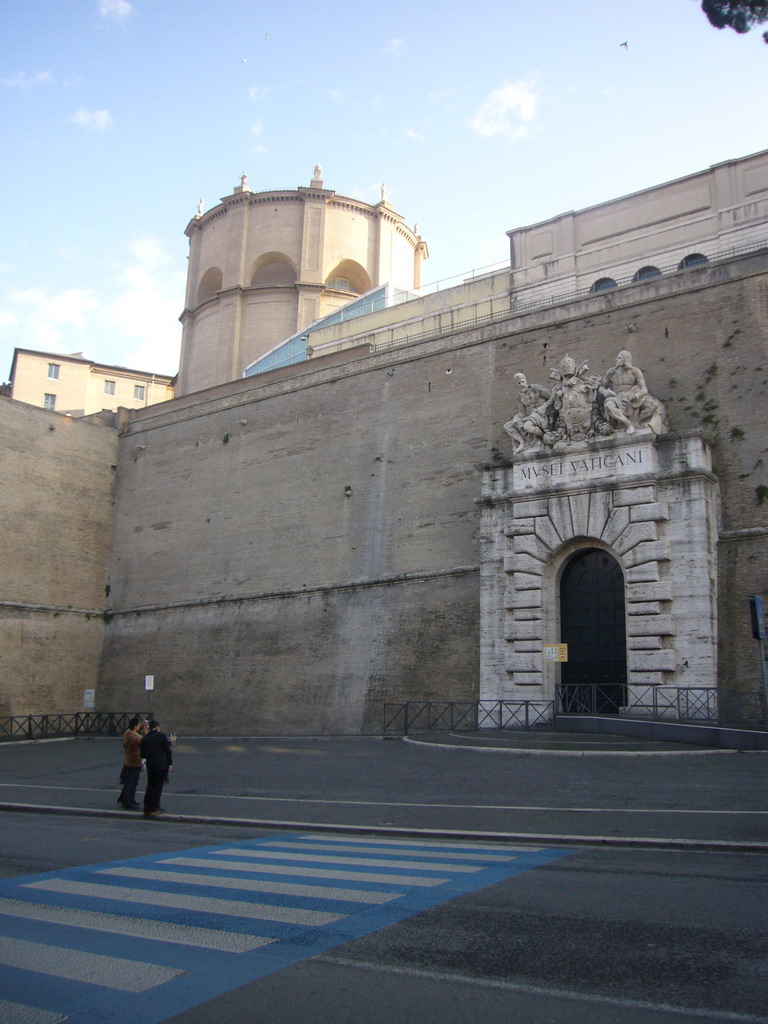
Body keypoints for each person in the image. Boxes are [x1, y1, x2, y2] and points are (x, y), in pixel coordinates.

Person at [140, 720, 173, 817]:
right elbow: (168, 751)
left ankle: (147, 808)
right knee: (158, 787)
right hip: (161, 765)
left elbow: (142, 754)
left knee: (150, 786)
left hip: (151, 765)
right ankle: (153, 808)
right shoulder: (162, 736)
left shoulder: (145, 738)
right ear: (157, 727)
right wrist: (170, 763)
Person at [117, 717, 145, 809]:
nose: (139, 726)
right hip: (135, 762)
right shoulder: (137, 738)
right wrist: (146, 730)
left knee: (128, 782)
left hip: (128, 761)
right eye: (138, 725)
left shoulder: (127, 733)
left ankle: (125, 799)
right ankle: (128, 802)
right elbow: (147, 741)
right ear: (135, 726)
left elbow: (134, 732)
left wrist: (142, 726)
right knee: (132, 783)